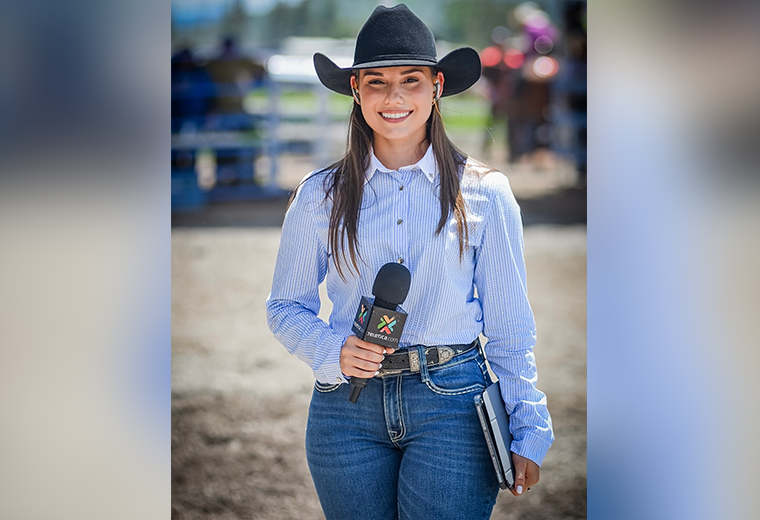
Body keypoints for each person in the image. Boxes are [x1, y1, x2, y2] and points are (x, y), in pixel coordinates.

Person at [266, 5, 553, 520]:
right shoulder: (318, 196)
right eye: (375, 81)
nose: (393, 97)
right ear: (355, 91)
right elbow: (285, 306)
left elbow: (511, 326)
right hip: (344, 410)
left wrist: (529, 424)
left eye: (410, 80)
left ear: (437, 86)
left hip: (453, 405)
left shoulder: (486, 194)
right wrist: (333, 350)